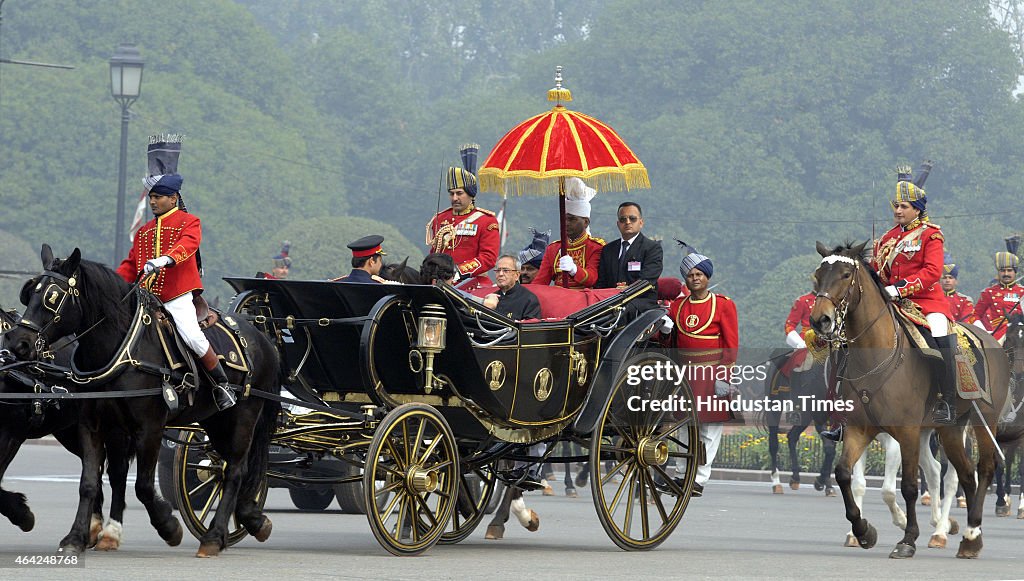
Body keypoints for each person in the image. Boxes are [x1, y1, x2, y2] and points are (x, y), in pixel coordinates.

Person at [115, 172, 236, 410]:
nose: (152, 202)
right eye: (151, 197)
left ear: (173, 198)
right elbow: (130, 266)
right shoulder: (144, 232)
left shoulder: (189, 222)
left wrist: (166, 259)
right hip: (145, 298)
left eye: (158, 197)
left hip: (176, 295)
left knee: (191, 335)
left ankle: (222, 384)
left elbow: (189, 244)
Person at [871, 165, 957, 424]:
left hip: (927, 303)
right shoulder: (887, 238)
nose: (897, 210)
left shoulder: (931, 234)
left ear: (917, 209)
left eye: (904, 206)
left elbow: (932, 272)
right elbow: (878, 271)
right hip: (891, 301)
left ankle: (948, 399)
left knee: (940, 332)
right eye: (896, 206)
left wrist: (898, 289)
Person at [658, 251, 738, 497]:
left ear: (707, 277)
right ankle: (682, 475)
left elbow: (731, 344)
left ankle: (700, 478)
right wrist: (663, 328)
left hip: (712, 373)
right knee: (683, 426)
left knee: (708, 430)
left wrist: (723, 377)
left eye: (699, 274)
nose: (694, 279)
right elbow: (669, 343)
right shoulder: (677, 306)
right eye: (690, 275)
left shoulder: (724, 304)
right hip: (685, 374)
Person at [425, 149, 500, 292]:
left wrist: (459, 271)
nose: (454, 198)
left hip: (473, 282)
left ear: (471, 195)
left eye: (459, 193)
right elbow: (434, 252)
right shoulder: (439, 219)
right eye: (451, 194)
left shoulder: (486, 221)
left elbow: (488, 258)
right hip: (441, 282)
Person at [530, 178, 604, 288]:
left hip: (584, 299)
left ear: (586, 222)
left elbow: (592, 278)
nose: (566, 223)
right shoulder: (553, 248)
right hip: (558, 298)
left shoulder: (595, 247)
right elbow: (540, 282)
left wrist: (574, 270)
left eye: (572, 219)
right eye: (564, 219)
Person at [595, 201, 663, 308]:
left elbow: (646, 281)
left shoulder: (652, 248)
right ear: (618, 224)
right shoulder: (608, 249)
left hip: (640, 303)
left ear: (641, 222)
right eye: (623, 219)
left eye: (632, 218)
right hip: (609, 302)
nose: (627, 222)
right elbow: (601, 283)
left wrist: (624, 292)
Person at [973, 239, 1024, 342]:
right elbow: (975, 316)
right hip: (997, 334)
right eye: (1002, 271)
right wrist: (984, 333)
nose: (1006, 274)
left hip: (1019, 334)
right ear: (998, 273)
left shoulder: (1022, 292)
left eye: (1009, 271)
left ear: (1015, 273)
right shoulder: (989, 293)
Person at [484, 255, 542, 320]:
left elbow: (530, 327)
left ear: (517, 275)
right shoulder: (491, 298)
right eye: (498, 270)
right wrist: (486, 308)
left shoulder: (529, 299)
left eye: (506, 270)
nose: (500, 274)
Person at [941, 254, 976, 324]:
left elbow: (966, 323)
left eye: (950, 278)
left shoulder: (965, 301)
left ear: (956, 281)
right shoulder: (934, 298)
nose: (947, 280)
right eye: (944, 278)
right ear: (940, 281)